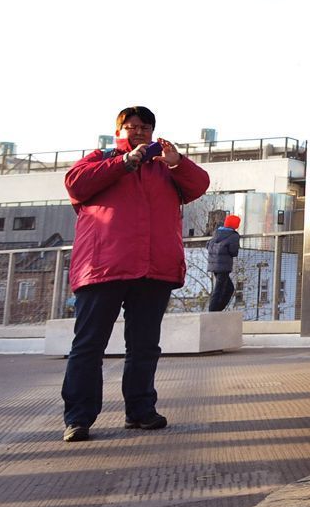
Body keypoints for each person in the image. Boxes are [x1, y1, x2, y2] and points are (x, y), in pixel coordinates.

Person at [61, 106, 210, 443]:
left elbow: (199, 185)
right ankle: (78, 417)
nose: (138, 132)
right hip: (102, 267)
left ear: (153, 132)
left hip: (153, 268)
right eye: (131, 127)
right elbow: (75, 184)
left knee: (144, 346)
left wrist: (176, 161)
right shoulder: (101, 159)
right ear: (119, 131)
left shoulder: (165, 167)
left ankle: (140, 411)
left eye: (144, 127)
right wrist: (125, 163)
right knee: (88, 346)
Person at [205, 214, 241, 312]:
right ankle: (213, 312)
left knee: (228, 288)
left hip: (214, 264)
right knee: (220, 289)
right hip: (223, 266)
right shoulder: (233, 236)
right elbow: (233, 252)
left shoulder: (217, 233)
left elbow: (208, 245)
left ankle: (217, 310)